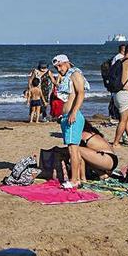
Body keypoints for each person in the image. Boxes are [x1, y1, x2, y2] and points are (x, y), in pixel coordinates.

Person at [52, 54, 86, 188]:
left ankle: (74, 180)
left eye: (60, 66)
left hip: (73, 116)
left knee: (73, 150)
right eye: (56, 68)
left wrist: (73, 112)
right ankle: (78, 178)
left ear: (66, 62)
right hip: (66, 117)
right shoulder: (67, 77)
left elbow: (81, 93)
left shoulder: (75, 74)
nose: (59, 69)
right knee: (73, 149)